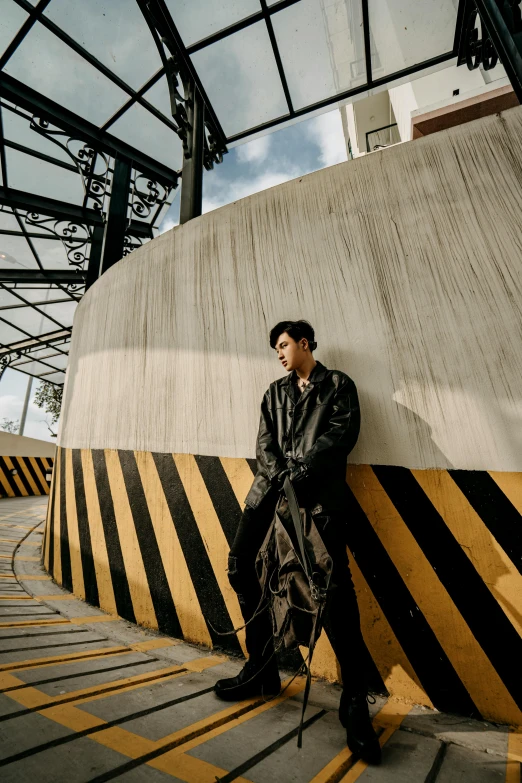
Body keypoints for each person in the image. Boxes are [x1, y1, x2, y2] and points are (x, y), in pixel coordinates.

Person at [213, 320, 381, 765]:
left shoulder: (338, 386)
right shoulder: (274, 393)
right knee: (240, 566)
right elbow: (265, 444)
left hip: (319, 504)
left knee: (334, 592)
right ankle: (262, 669)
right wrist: (276, 477)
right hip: (268, 495)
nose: (280, 353)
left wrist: (302, 471)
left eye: (284, 345)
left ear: (304, 343)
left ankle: (354, 703)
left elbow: (340, 436)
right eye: (276, 349)